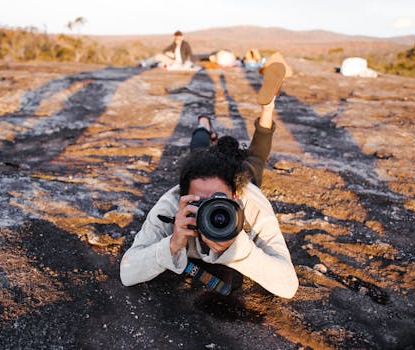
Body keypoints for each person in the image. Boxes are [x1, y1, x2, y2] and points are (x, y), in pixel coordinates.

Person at [120, 55, 298, 299]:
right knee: (201, 154)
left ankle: (264, 109)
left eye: (218, 199)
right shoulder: (171, 204)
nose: (209, 208)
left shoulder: (251, 204)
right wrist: (172, 244)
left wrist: (240, 247)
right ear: (183, 196)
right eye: (198, 200)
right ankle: (206, 122)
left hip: (238, 175)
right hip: (211, 172)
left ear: (235, 196)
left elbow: (288, 286)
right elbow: (127, 273)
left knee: (254, 162)